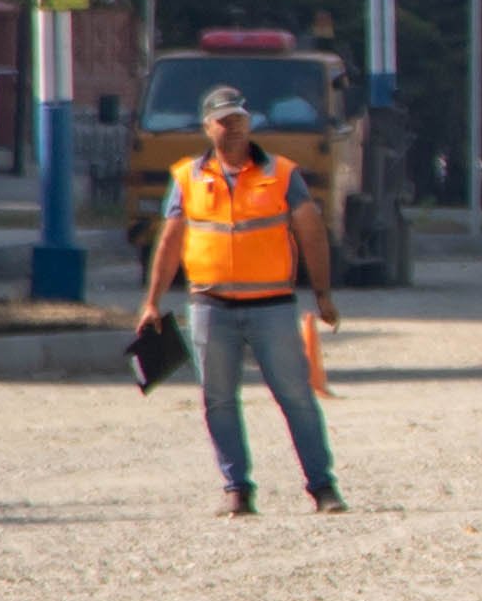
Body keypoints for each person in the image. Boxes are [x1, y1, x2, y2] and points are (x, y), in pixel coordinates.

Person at [134, 82, 340, 517]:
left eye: (239, 120)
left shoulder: (282, 173)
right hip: (211, 307)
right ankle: (236, 489)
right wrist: (152, 301)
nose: (233, 128)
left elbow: (312, 233)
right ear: (207, 127)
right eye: (224, 121)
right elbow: (170, 242)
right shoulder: (188, 177)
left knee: (296, 397)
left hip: (273, 307)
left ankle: (323, 487)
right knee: (218, 400)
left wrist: (321, 293)